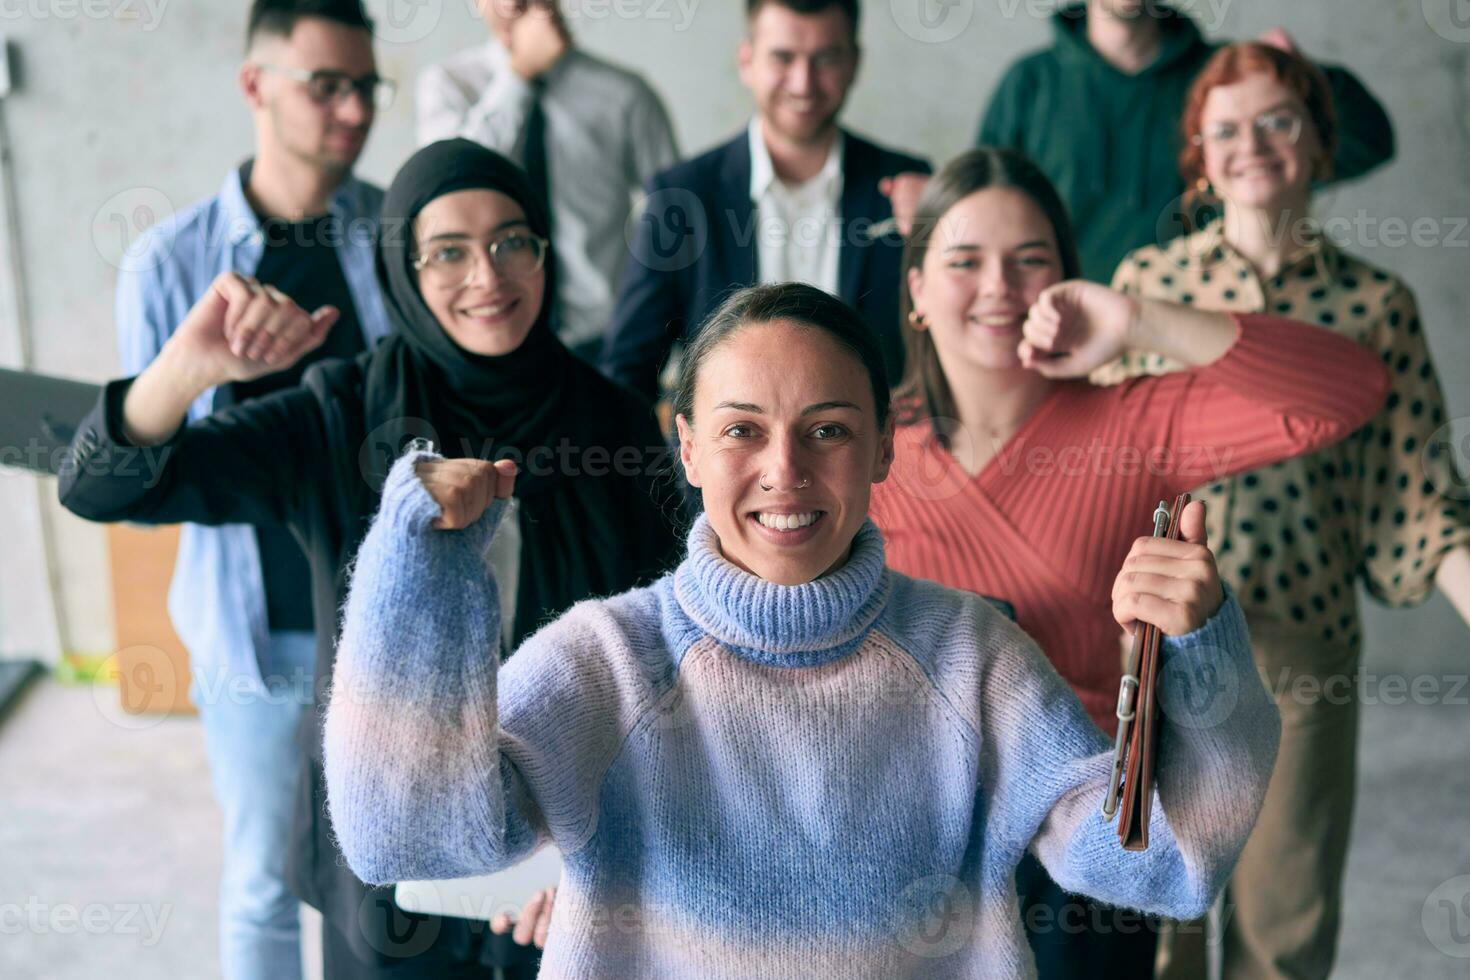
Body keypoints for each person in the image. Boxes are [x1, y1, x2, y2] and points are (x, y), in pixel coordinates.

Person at [324, 279, 1284, 977]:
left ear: (878, 452)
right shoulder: (607, 662)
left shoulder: (971, 658)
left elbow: (1163, 864)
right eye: (742, 430)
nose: (785, 469)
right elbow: (401, 837)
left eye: (827, 429)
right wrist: (420, 567)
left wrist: (1198, 652)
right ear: (689, 448)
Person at [60, 140, 681, 979]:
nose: (488, 276)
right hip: (391, 863)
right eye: (448, 252)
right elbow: (102, 488)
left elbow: (657, 656)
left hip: (561, 859)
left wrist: (612, 854)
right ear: (402, 269)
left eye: (512, 241)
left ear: (544, 251)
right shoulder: (342, 414)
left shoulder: (610, 420)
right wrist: (188, 368)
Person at [865, 146, 1393, 978]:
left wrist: (1140, 321)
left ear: (1067, 280)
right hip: (905, 836)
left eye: (1029, 260)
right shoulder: (863, 447)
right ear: (919, 292)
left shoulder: (1130, 425)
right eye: (964, 261)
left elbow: (1351, 388)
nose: (1000, 286)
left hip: (1088, 842)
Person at [1092, 41, 1470, 980]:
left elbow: (1421, 501)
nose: (1250, 144)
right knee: (1160, 925)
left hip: (1304, 652)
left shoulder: (1375, 304)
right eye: (1225, 129)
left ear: (1316, 144)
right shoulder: (1147, 287)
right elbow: (1093, 471)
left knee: (1285, 928)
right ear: (1200, 158)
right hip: (1166, 653)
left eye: (1276, 121)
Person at [112, 1, 391, 976]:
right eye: (328, 84)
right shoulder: (171, 261)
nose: (353, 110)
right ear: (255, 86)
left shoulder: (398, 236)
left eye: (366, 86)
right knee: (267, 879)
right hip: (254, 632)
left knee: (387, 879)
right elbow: (135, 467)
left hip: (387, 623)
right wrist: (201, 370)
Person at [882, 0, 1395, 284]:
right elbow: (992, 219)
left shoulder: (1225, 83)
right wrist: (939, 208)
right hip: (1062, 345)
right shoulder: (1030, 85)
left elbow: (1365, 141)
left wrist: (1298, 75)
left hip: (1212, 333)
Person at [601, 0, 929, 400]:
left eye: (825, 58)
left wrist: (940, 232)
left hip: (883, 457)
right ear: (746, 61)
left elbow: (944, 349)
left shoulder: (909, 183)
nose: (803, 83)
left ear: (854, 64)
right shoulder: (681, 195)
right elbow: (626, 371)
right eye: (783, 57)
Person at [416, 0, 679, 361]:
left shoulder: (625, 96)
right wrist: (520, 73)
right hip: (488, 333)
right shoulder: (448, 87)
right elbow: (448, 183)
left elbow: (675, 220)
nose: (511, 4)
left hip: (606, 344)